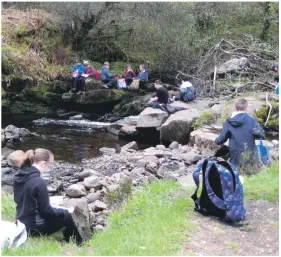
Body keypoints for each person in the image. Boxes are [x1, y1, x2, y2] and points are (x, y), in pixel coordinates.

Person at [13, 148, 82, 245]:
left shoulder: (18, 176)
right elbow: (46, 212)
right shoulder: (38, 182)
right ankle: (78, 244)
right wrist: (64, 211)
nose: (48, 168)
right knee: (67, 216)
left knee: (58, 212)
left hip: (20, 221)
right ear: (43, 163)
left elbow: (17, 199)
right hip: (33, 228)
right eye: (49, 165)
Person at [215, 98, 265, 167]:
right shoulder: (252, 120)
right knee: (248, 171)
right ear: (246, 108)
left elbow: (222, 139)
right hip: (249, 153)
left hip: (235, 155)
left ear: (235, 107)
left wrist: (216, 141)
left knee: (235, 170)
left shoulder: (229, 122)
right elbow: (262, 134)